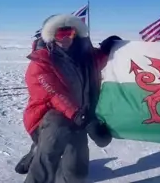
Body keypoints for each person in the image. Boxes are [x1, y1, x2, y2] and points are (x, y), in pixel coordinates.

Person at [17, 14, 122, 183]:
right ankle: (37, 175)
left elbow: (98, 60)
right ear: (51, 36)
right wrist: (82, 118)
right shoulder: (41, 61)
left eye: (70, 33)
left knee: (76, 171)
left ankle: (52, 163)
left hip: (78, 118)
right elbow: (54, 94)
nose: (65, 38)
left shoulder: (86, 57)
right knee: (56, 131)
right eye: (60, 34)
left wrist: (107, 49)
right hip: (47, 118)